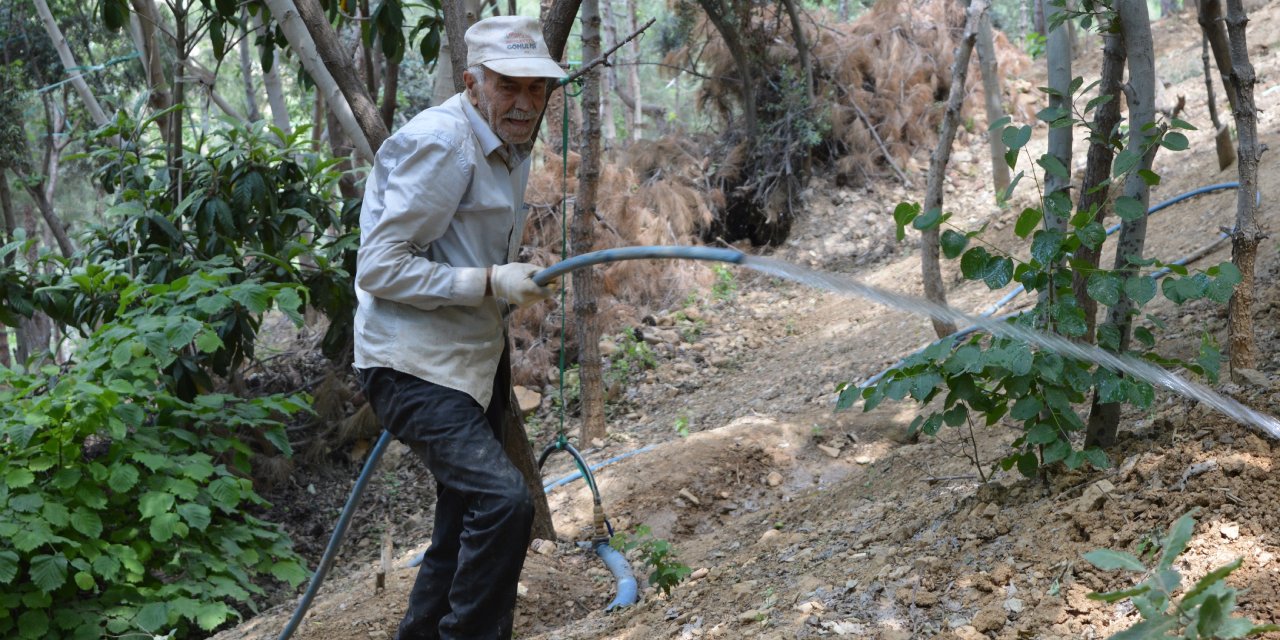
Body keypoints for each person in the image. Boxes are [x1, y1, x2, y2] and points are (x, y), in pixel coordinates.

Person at [352, 15, 566, 640]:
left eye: (536, 87)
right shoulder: (445, 143)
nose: (525, 102)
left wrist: (506, 277)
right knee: (504, 502)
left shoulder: (510, 141)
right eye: (508, 85)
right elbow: (380, 267)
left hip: (470, 359)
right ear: (473, 83)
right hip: (411, 365)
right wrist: (490, 281)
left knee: (465, 517)